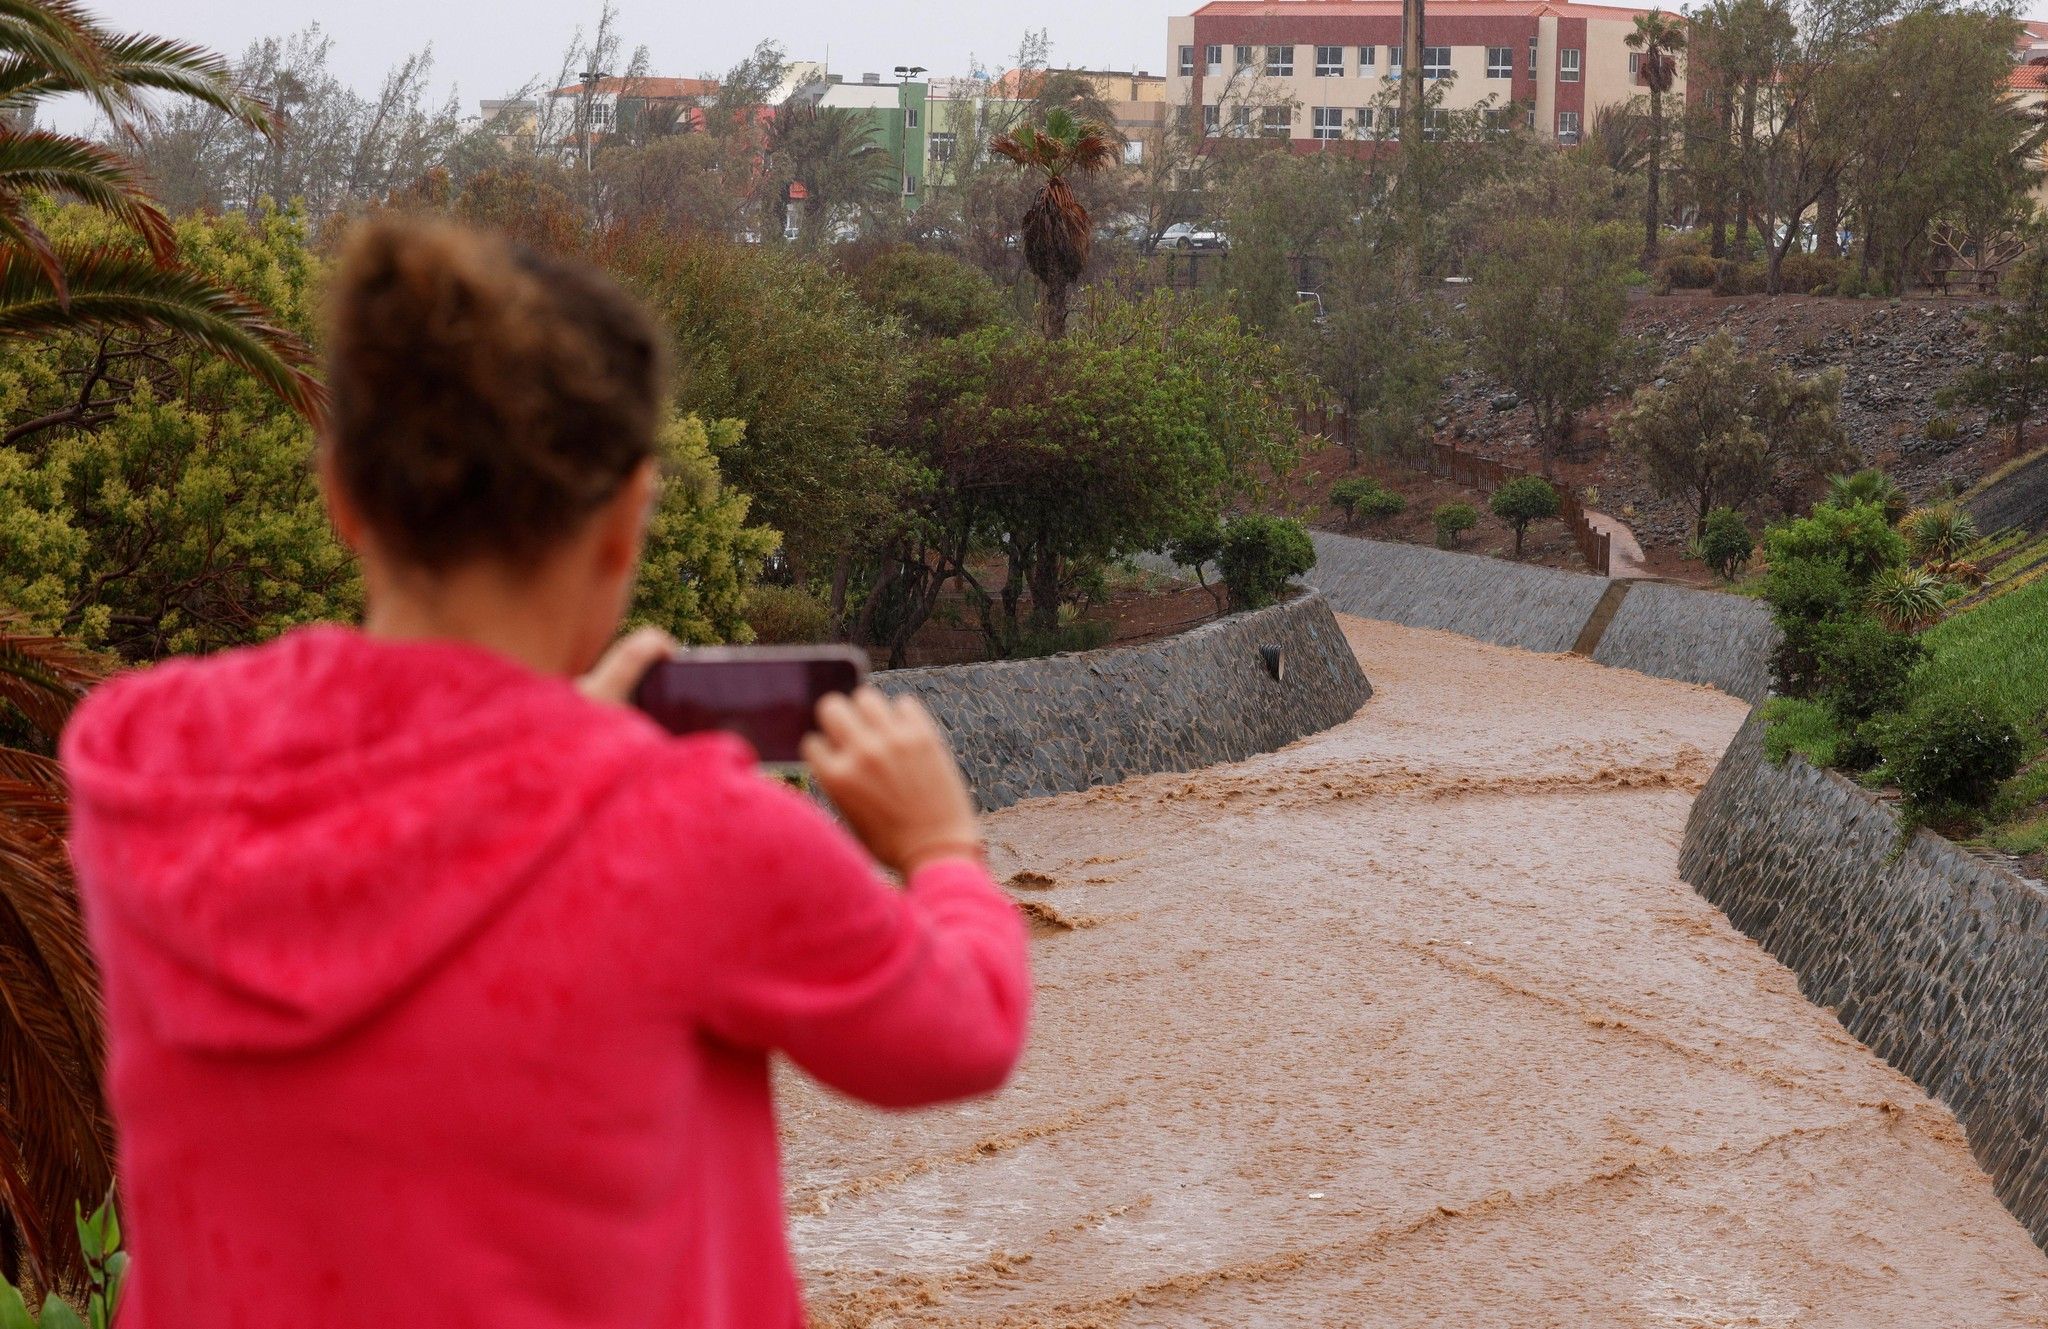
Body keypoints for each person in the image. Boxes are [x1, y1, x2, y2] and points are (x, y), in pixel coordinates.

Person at [61, 217, 1031, 1328]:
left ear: (341, 494)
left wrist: (545, 745)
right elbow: (960, 1033)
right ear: (625, 523)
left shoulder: (148, 764)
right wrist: (938, 848)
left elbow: (404, 843)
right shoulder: (687, 834)